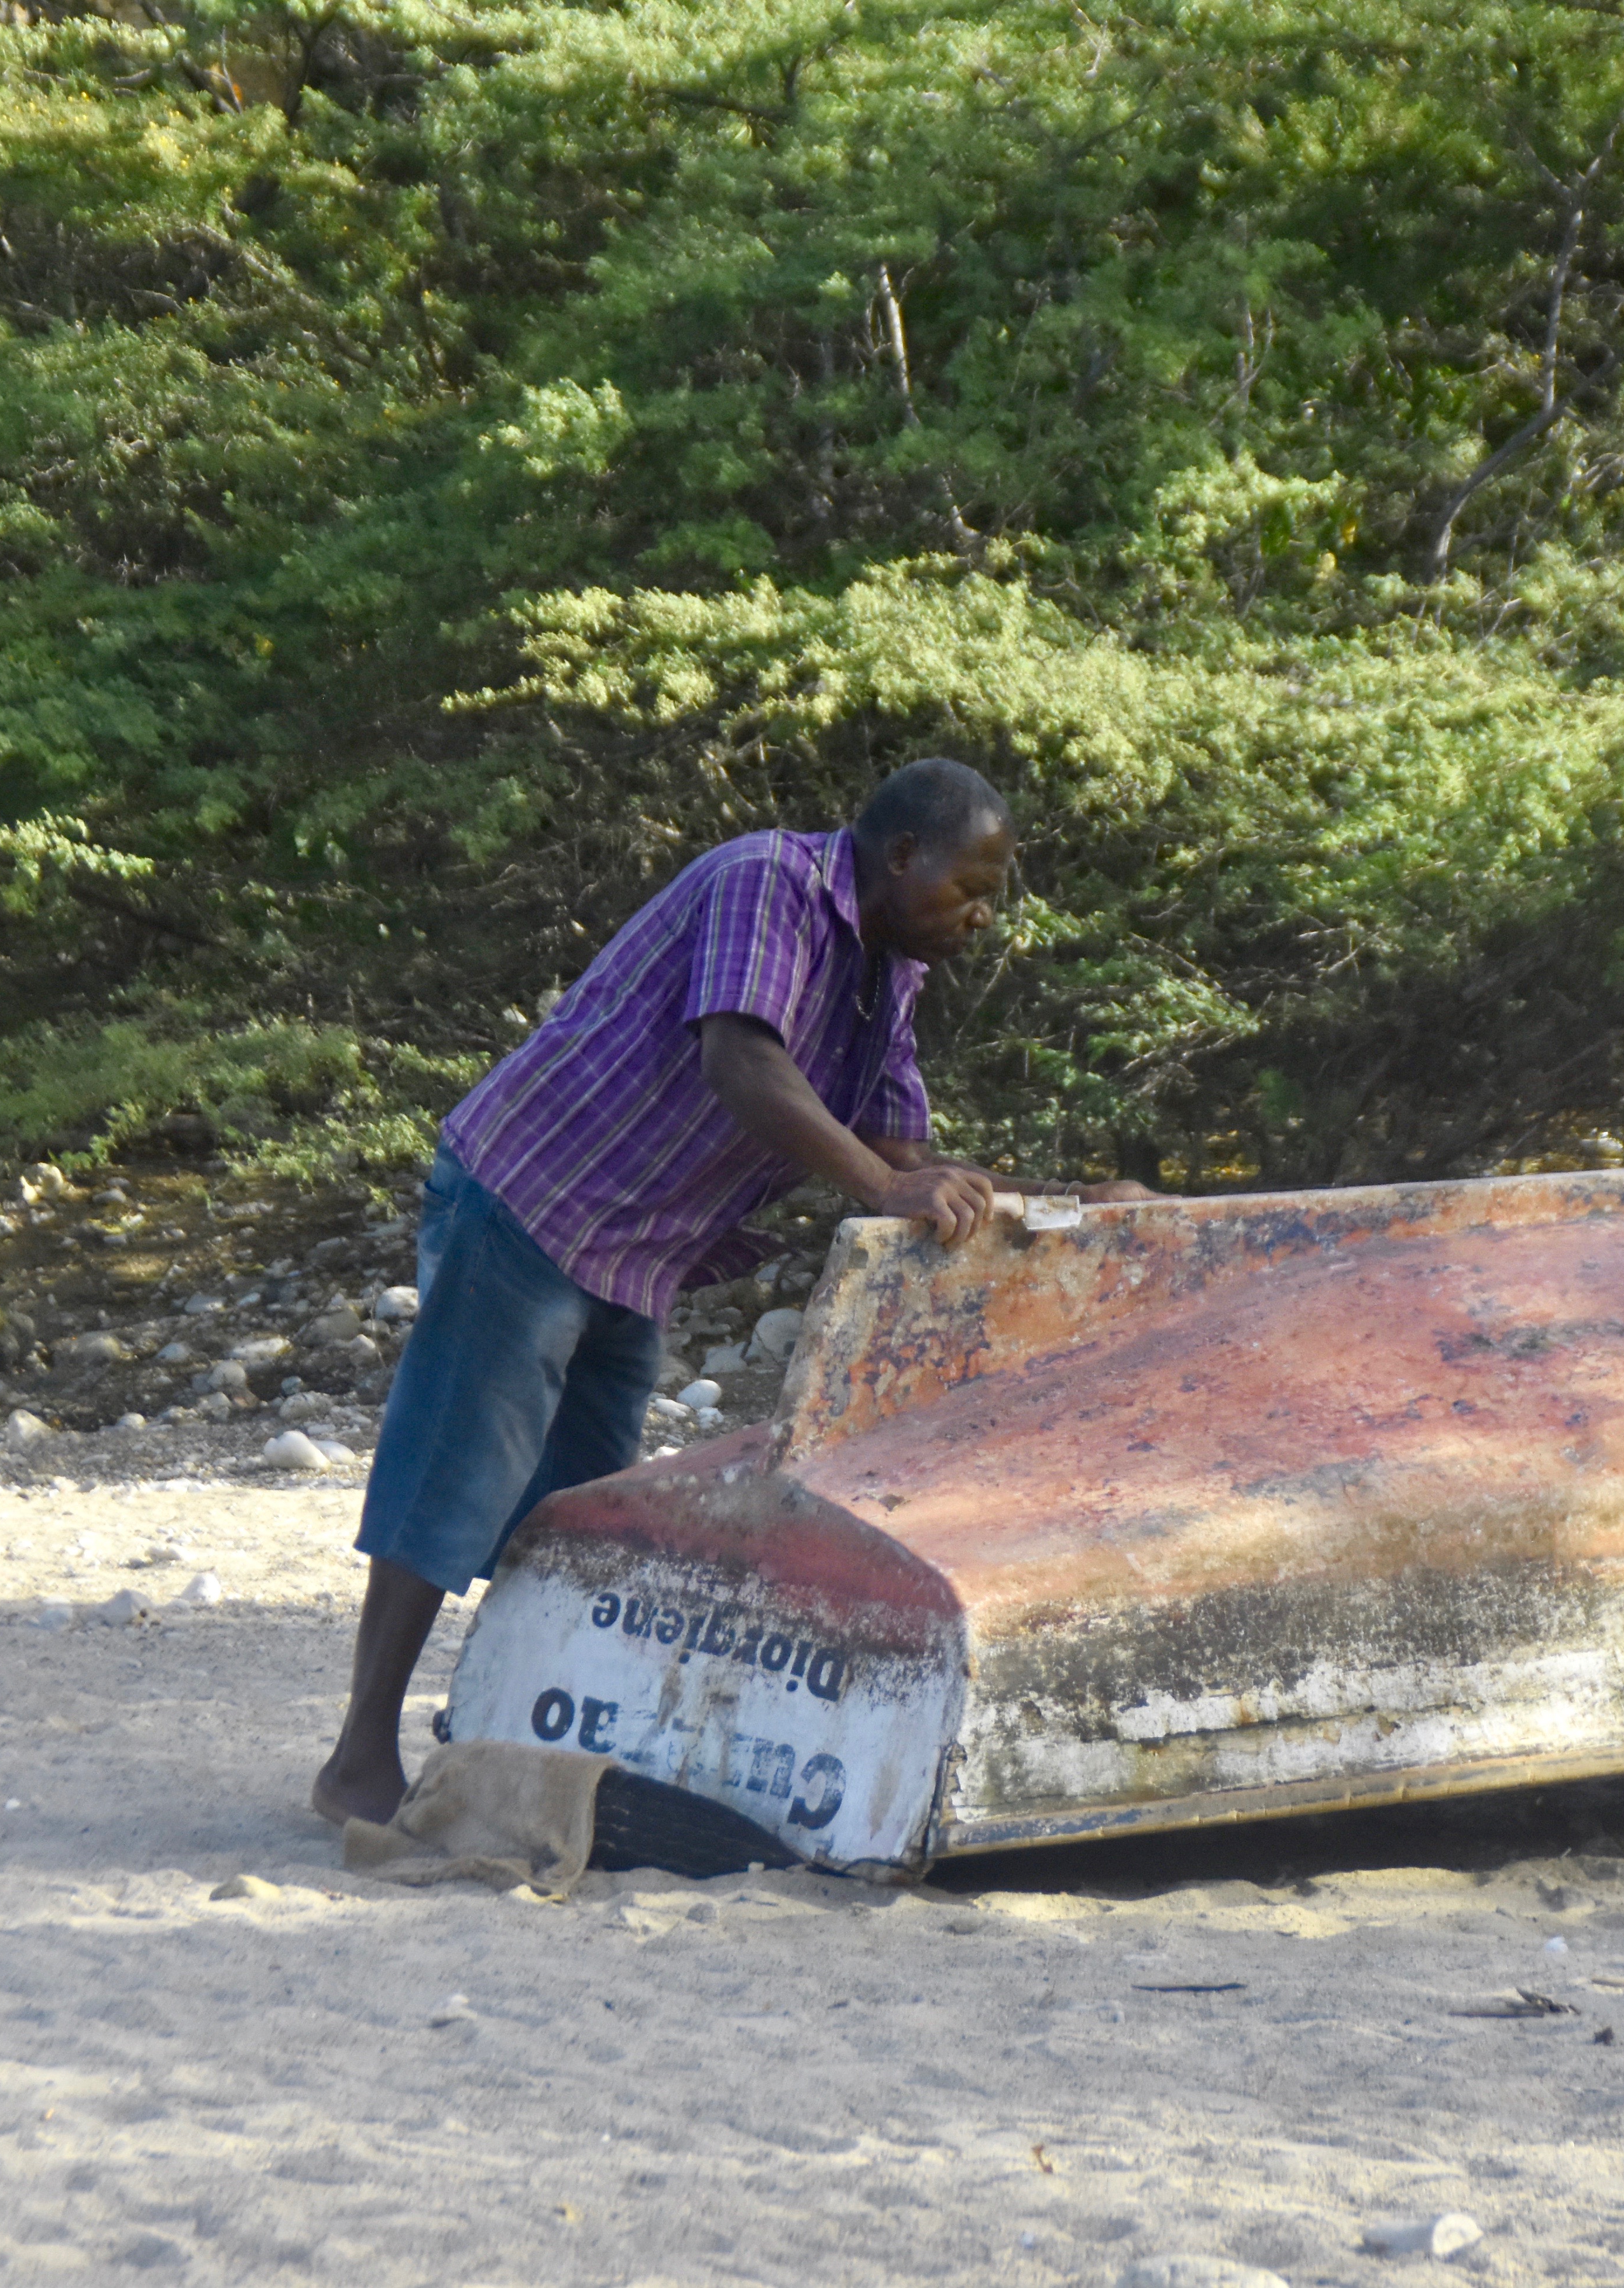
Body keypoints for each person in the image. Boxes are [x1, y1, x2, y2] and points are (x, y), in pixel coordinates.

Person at [309, 758, 1146, 1826]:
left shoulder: (889, 976)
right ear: (900, 857)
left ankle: (502, 1738)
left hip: (635, 1251)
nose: (983, 916)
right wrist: (889, 1183)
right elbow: (741, 1060)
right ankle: (356, 1762)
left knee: (579, 1510)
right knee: (459, 1467)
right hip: (535, 1194)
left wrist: (1076, 1200)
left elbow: (906, 1160)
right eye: (970, 887)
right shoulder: (772, 882)